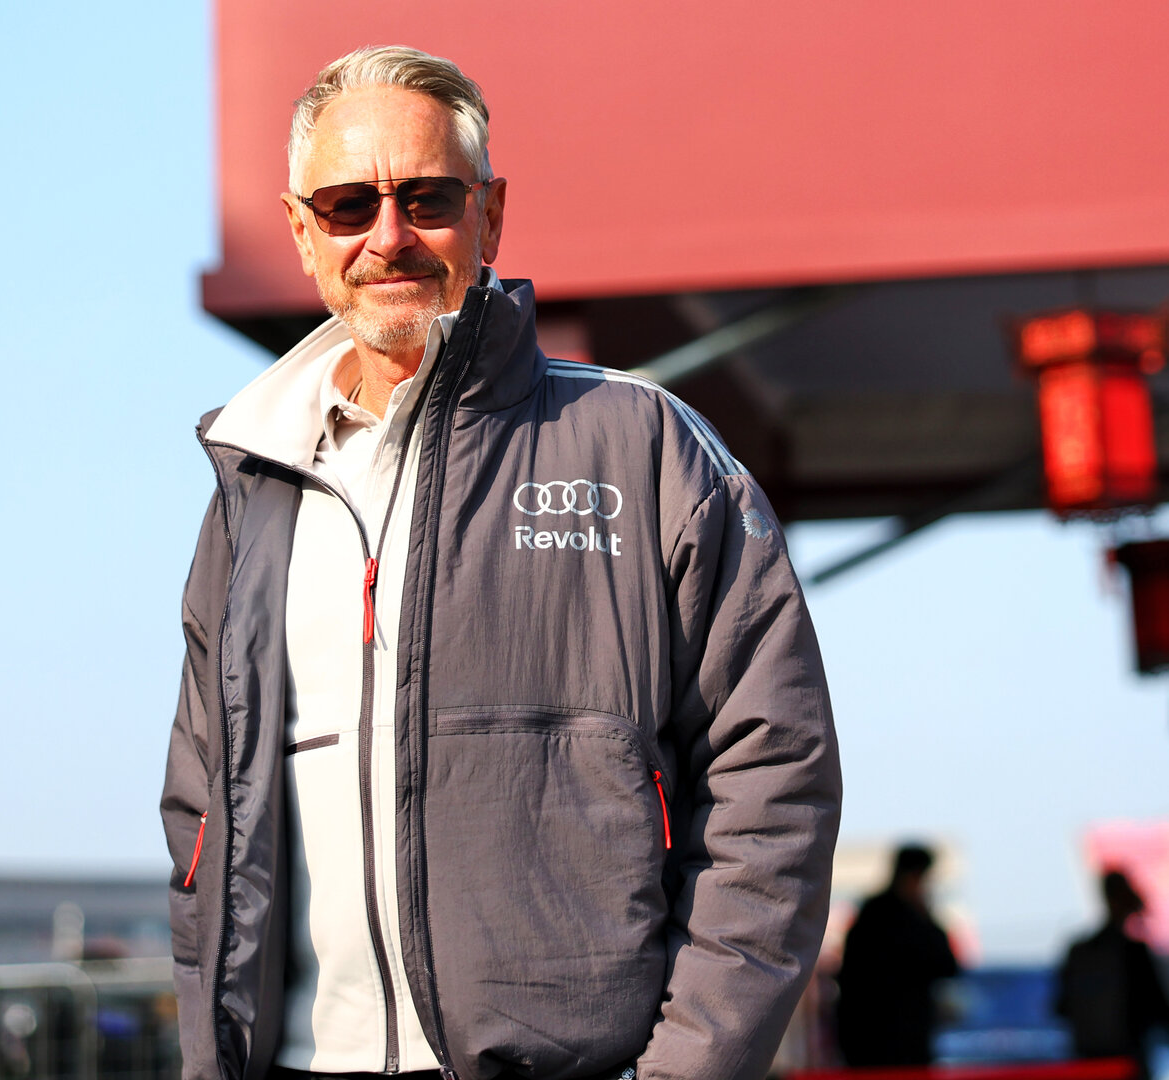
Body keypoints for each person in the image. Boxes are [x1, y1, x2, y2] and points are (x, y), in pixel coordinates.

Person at [160, 45, 841, 1080]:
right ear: (301, 233)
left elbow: (771, 778)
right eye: (347, 205)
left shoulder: (644, 445)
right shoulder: (254, 487)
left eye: (427, 196)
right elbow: (200, 815)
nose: (388, 237)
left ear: (491, 213)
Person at [1055, 870, 1169, 1076]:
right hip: (1127, 1062)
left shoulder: (1080, 953)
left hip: (1090, 1062)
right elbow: (1161, 1008)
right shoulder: (1131, 953)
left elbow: (1060, 1007)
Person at [835, 844, 960, 1067]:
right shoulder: (890, 918)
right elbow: (944, 963)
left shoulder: (873, 914)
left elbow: (947, 966)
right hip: (887, 1040)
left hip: (876, 1038)